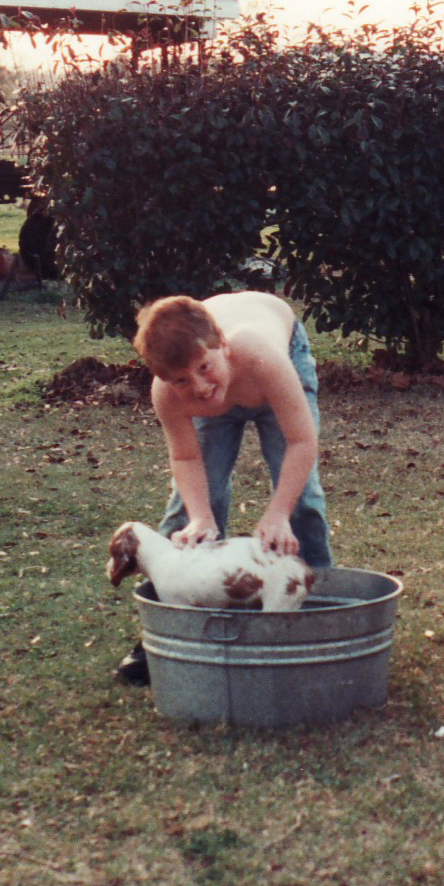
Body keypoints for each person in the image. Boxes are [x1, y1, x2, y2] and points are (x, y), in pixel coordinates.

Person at [114, 291, 332, 684]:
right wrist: (200, 517)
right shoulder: (168, 393)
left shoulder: (261, 356)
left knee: (303, 502)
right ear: (164, 379)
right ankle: (167, 629)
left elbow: (301, 441)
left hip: (267, 369)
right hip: (229, 374)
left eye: (203, 368)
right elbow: (185, 459)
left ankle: (320, 620)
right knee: (189, 512)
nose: (199, 387)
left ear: (221, 345)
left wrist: (278, 513)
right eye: (181, 380)